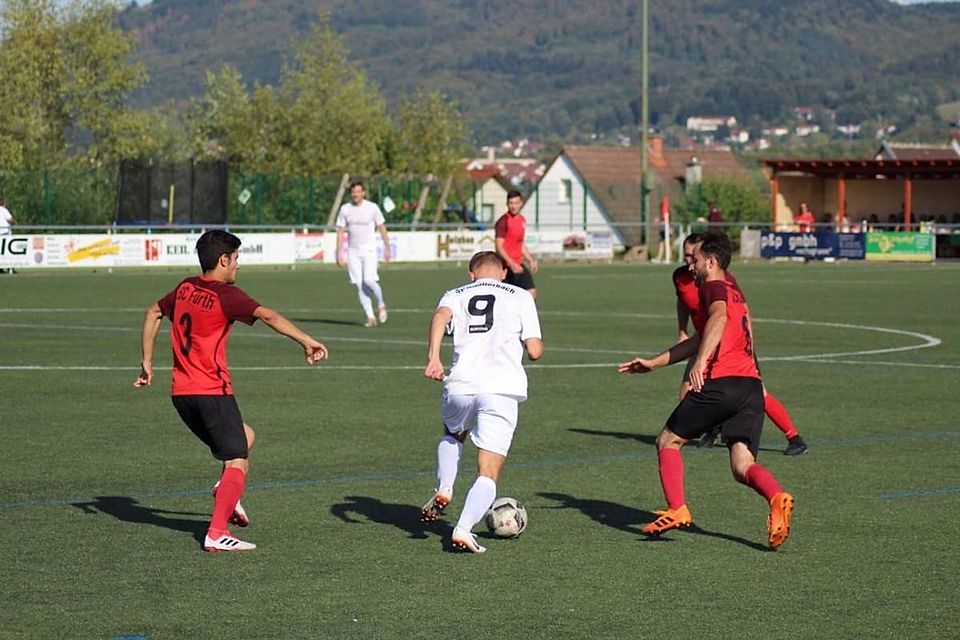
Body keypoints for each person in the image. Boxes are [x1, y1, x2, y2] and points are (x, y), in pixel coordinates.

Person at [134, 230, 329, 553]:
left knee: (245, 436)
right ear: (223, 260)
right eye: (236, 258)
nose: (239, 265)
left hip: (181, 395)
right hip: (211, 392)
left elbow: (153, 312)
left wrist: (147, 363)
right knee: (238, 460)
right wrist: (307, 341)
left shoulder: (185, 287)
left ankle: (224, 492)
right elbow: (269, 315)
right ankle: (216, 532)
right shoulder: (225, 296)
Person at [619, 232, 795, 550]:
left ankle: (677, 508)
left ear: (711, 261)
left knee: (667, 441)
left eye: (696, 259)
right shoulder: (734, 289)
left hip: (722, 383)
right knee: (742, 465)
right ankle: (776, 496)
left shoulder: (713, 286)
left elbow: (717, 318)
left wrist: (701, 364)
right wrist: (655, 363)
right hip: (751, 386)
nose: (693, 266)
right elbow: (706, 334)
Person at [420, 251, 544, 553]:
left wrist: (434, 358)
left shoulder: (456, 293)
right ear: (503, 272)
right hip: (500, 390)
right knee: (488, 471)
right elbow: (536, 351)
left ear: (471, 274)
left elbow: (440, 317)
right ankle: (462, 529)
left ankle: (445, 486)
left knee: (452, 434)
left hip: (461, 384)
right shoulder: (520, 296)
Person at [674, 234, 808, 456]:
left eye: (692, 257)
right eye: (686, 257)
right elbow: (682, 301)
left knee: (759, 394)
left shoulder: (720, 280)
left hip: (730, 344)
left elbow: (738, 310)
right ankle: (705, 429)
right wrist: (681, 330)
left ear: (705, 258)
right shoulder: (680, 277)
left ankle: (794, 436)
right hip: (702, 341)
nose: (689, 263)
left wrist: (749, 348)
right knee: (688, 390)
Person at [336, 180, 391, 327]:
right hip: (353, 251)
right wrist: (339, 252)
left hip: (369, 250)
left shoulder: (372, 208)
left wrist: (387, 248)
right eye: (353, 192)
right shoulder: (345, 209)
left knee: (369, 280)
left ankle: (381, 304)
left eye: (358, 191)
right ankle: (370, 317)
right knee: (359, 285)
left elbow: (382, 227)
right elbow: (341, 231)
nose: (356, 194)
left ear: (363, 193)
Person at [495, 190, 539, 300]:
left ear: (521, 203)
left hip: (518, 264)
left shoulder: (522, 220)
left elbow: (520, 243)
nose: (513, 206)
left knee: (531, 293)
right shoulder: (503, 221)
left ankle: (518, 316)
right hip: (505, 267)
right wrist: (511, 264)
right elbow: (499, 246)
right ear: (507, 204)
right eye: (511, 203)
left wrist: (530, 260)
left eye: (516, 203)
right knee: (506, 298)